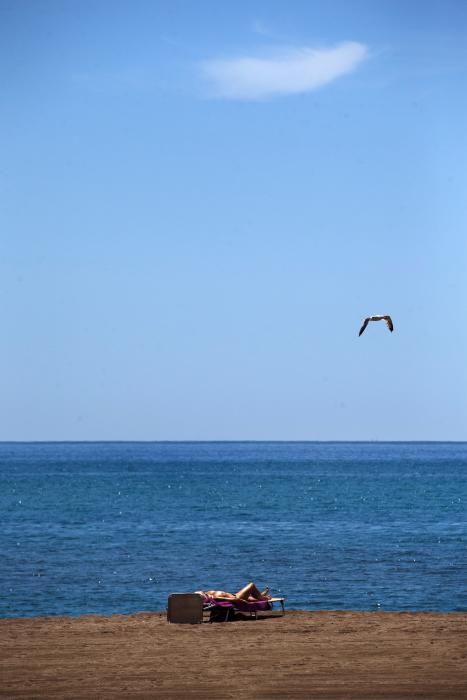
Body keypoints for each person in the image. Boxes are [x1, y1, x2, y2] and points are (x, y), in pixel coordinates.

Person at [196, 582, 271, 602]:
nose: (202, 593)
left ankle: (261, 596)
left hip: (234, 595)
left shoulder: (208, 593)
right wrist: (238, 600)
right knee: (251, 585)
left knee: (254, 598)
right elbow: (227, 600)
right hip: (237, 597)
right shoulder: (213, 598)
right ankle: (263, 598)